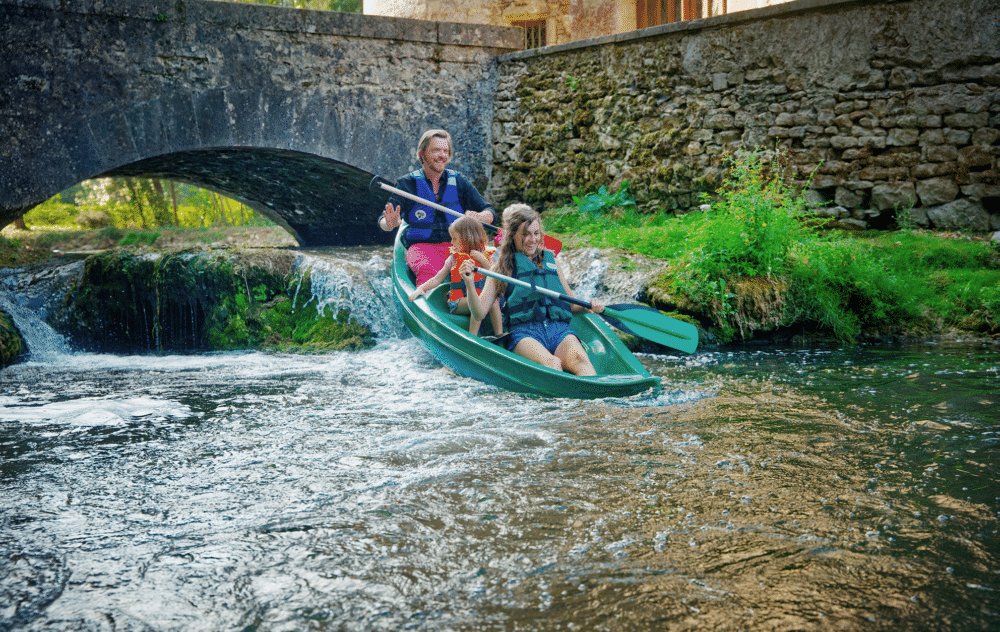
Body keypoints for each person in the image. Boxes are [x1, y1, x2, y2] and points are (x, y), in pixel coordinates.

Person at [459, 204, 605, 376]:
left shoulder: (552, 262)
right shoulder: (501, 268)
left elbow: (571, 306)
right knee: (552, 363)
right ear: (513, 235)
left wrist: (589, 306)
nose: (532, 239)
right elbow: (479, 312)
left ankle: (593, 401)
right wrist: (469, 283)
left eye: (536, 233)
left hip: (558, 329)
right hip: (524, 332)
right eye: (526, 234)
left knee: (581, 360)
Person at [378, 129, 497, 286]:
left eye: (445, 151)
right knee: (428, 269)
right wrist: (390, 224)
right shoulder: (407, 184)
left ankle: (486, 303)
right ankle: (428, 302)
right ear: (422, 154)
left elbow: (490, 212)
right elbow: (383, 221)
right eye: (436, 150)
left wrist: (481, 217)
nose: (442, 155)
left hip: (458, 246)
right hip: (423, 247)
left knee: (491, 263)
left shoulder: (459, 181)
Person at [407, 215, 504, 336]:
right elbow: (437, 278)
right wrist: (421, 288)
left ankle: (500, 336)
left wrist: (482, 260)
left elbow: (495, 276)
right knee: (477, 302)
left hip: (481, 299)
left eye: (454, 239)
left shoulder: (486, 255)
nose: (451, 242)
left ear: (468, 238)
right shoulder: (453, 258)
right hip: (459, 302)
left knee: (493, 302)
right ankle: (472, 338)